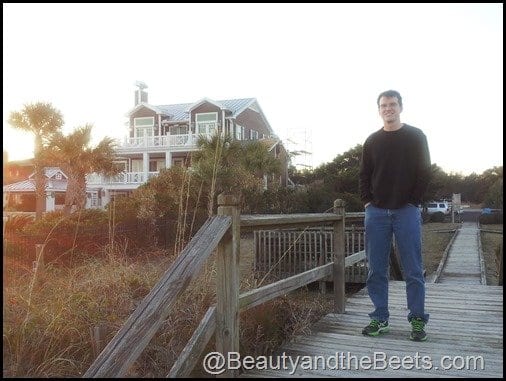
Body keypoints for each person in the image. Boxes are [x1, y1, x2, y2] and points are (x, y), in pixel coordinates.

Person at [359, 90, 431, 342]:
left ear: (400, 107)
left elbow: (424, 172)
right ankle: (380, 318)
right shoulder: (371, 141)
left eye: (392, 104)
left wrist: (413, 201)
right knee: (376, 269)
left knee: (413, 268)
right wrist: (367, 202)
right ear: (378, 110)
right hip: (376, 213)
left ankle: (418, 320)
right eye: (383, 105)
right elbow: (364, 175)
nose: (388, 108)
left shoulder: (415, 136)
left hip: (406, 212)